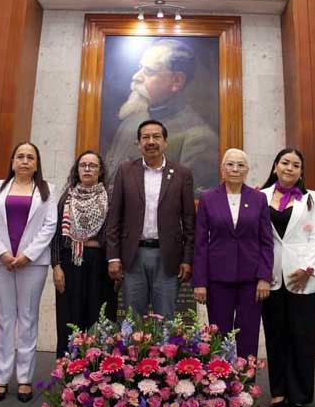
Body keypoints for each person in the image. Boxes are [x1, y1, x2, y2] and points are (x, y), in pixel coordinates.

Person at [0, 142, 58, 403]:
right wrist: (2, 253)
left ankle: (24, 378)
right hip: (0, 262)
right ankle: (1, 378)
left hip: (32, 263)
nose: (25, 161)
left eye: (30, 157)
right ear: (13, 161)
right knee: (5, 319)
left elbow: (49, 226)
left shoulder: (47, 189)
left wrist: (27, 255)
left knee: (27, 319)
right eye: (20, 156)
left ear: (36, 164)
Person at [260, 148, 315, 407]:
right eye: (285, 162)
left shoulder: (312, 198)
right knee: (275, 335)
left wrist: (308, 268)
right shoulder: (259, 196)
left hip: (302, 276)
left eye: (295, 164)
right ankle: (278, 391)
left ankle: (299, 393)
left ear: (301, 171)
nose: (289, 167)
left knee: (301, 335)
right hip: (271, 275)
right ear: (275, 166)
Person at [103, 39, 220, 192]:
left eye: (149, 71)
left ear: (176, 81)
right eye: (140, 68)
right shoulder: (131, 123)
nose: (136, 77)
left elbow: (183, 198)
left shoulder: (200, 139)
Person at [106, 120, 195, 319]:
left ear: (165, 142)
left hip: (168, 257)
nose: (151, 141)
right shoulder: (125, 171)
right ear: (138, 143)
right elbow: (114, 217)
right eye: (145, 137)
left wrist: (187, 259)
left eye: (156, 137)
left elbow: (189, 222)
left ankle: (166, 351)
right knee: (133, 318)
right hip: (132, 256)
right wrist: (113, 257)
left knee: (166, 319)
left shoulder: (182, 174)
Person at [192, 148, 273, 358]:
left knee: (248, 334)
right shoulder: (208, 198)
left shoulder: (258, 199)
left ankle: (246, 386)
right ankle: (222, 387)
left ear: (247, 170)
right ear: (222, 169)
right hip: (218, 279)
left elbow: (266, 241)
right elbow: (200, 243)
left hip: (251, 280)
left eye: (240, 165)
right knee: (219, 335)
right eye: (230, 164)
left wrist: (264, 277)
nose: (235, 169)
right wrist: (199, 281)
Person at [51, 151, 117, 355]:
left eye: (93, 166)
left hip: (101, 265)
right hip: (70, 263)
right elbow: (55, 234)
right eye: (83, 165)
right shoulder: (66, 198)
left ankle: (97, 376)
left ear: (101, 170)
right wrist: (56, 265)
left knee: (100, 318)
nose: (87, 169)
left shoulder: (110, 197)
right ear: (77, 170)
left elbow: (115, 232)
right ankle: (67, 373)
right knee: (69, 318)